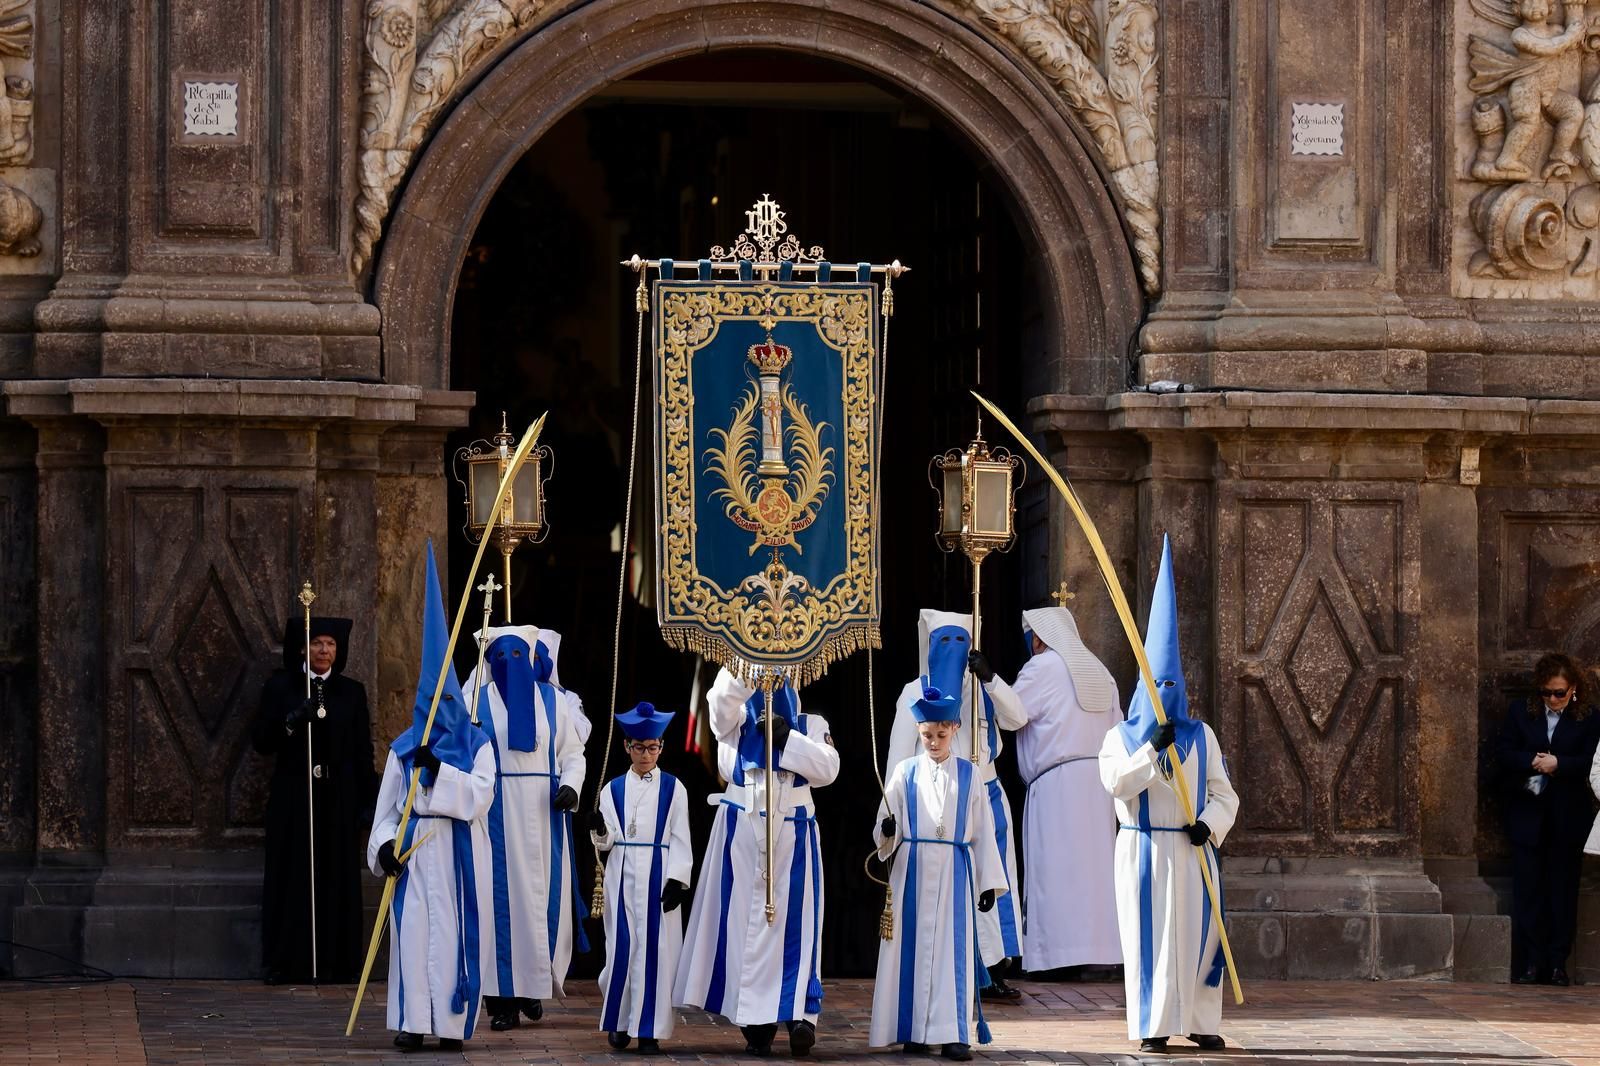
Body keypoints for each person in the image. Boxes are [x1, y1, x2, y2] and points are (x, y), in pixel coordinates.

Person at [1098, 536, 1238, 1054]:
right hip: (1144, 849)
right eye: (1159, 684)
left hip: (1192, 847)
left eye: (1174, 683)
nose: (1169, 693)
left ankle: (1200, 1020)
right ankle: (1153, 1025)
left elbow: (1226, 793)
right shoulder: (1119, 737)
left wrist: (1212, 823)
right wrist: (1148, 754)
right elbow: (1114, 783)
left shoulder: (1202, 736)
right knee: (1151, 940)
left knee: (1198, 941)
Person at [367, 545, 496, 1053]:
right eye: (428, 704)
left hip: (460, 851)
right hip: (417, 852)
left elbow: (481, 797)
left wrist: (440, 771)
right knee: (415, 933)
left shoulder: (479, 746)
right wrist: (383, 849)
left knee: (455, 934)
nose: (437, 713)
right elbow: (386, 813)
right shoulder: (403, 750)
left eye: (445, 703)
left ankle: (452, 1022)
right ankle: (412, 1021)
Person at [675, 669, 839, 1057]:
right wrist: (746, 667)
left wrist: (789, 739)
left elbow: (828, 769)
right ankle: (755, 1020)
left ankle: (800, 1015)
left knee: (797, 923)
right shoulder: (737, 721)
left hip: (794, 831)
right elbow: (718, 708)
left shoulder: (812, 723)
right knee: (743, 924)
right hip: (743, 828)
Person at [885, 609, 1027, 995]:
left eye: (960, 642)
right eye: (944, 641)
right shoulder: (915, 693)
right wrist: (890, 815)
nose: (952, 649)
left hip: (987, 797)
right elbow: (898, 757)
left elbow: (1017, 718)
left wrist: (991, 678)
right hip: (937, 806)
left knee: (992, 884)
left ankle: (995, 969)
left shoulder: (981, 689)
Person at [870, 683, 1007, 1062]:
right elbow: (887, 818)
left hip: (953, 871)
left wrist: (988, 883)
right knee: (911, 949)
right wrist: (886, 830)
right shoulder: (904, 772)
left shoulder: (970, 775)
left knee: (952, 951)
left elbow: (982, 831)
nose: (933, 741)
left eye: (941, 734)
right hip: (912, 867)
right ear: (918, 732)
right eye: (927, 735)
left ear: (955, 729)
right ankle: (914, 1030)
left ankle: (953, 1033)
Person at [463, 624, 590, 1030]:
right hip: (495, 813)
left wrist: (571, 786)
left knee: (540, 903)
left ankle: (532, 987)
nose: (509, 665)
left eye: (518, 656)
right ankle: (501, 1001)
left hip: (542, 812)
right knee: (499, 903)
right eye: (500, 657)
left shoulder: (552, 701)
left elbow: (572, 753)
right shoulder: (475, 702)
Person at [250, 614, 376, 985]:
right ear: (303, 647)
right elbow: (261, 741)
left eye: (331, 644)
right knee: (293, 876)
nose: (324, 650)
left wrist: (368, 800)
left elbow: (361, 750)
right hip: (295, 797)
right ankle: (286, 962)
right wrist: (290, 721)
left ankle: (339, 962)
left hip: (338, 798)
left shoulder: (351, 691)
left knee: (337, 877)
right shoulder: (282, 686)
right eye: (317, 643)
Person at [1011, 603, 1122, 974]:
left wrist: (990, 682)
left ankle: (1056, 959)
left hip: (1057, 783)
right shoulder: (1101, 671)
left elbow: (1010, 715)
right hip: (1099, 783)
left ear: (1038, 638)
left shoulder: (1041, 667)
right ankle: (1103, 955)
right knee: (1097, 872)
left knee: (1055, 870)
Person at [589, 702, 693, 1055]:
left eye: (653, 747)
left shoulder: (674, 788)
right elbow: (606, 841)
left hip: (659, 871)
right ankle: (620, 1022)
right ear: (626, 746)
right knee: (621, 948)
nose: (646, 754)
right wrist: (599, 829)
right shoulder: (612, 789)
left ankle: (649, 1029)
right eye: (639, 747)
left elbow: (681, 836)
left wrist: (679, 879)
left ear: (661, 747)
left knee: (656, 951)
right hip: (622, 872)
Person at [1494, 652, 1600, 985]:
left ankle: (1557, 963)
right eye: (1546, 693)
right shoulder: (1520, 712)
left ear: (1573, 690)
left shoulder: (1590, 718)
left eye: (1559, 693)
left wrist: (1560, 764)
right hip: (1529, 812)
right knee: (1528, 890)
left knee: (1562, 891)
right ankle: (1530, 962)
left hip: (1568, 815)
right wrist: (1533, 761)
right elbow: (1503, 753)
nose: (1552, 699)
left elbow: (1592, 761)